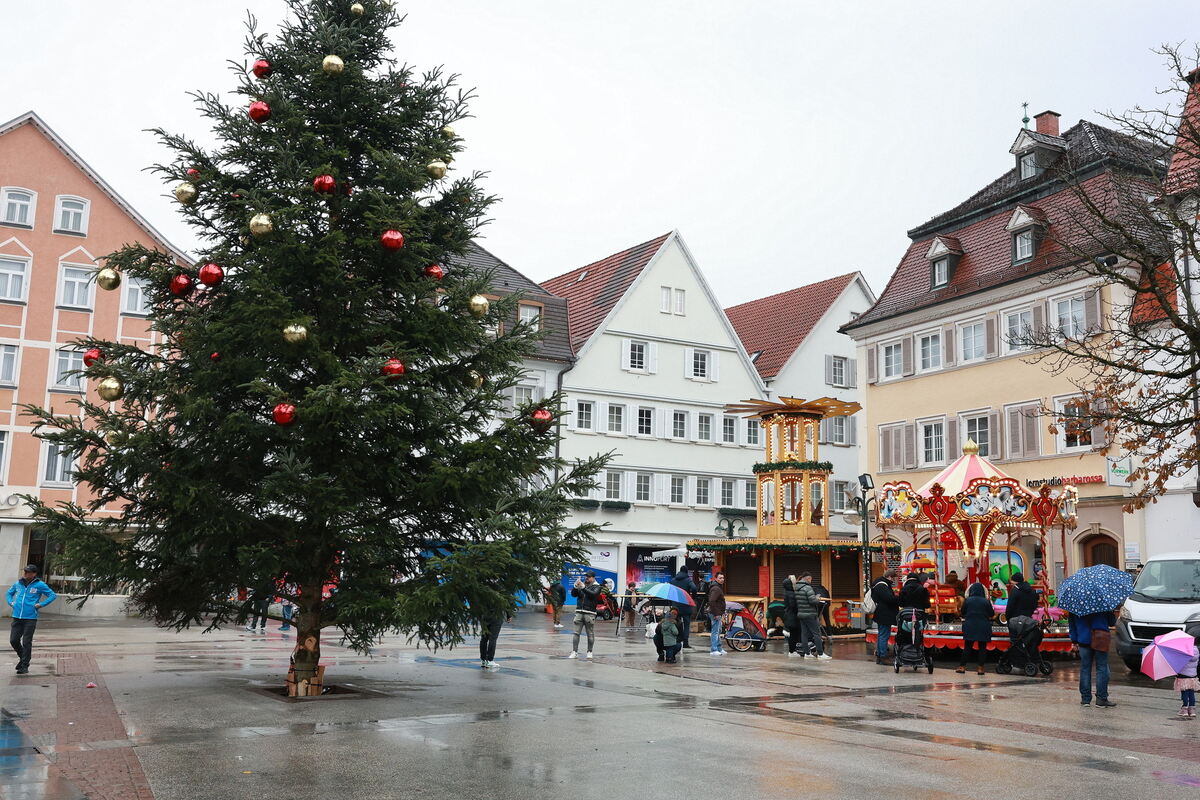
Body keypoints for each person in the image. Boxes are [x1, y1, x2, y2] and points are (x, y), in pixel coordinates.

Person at [7, 564, 56, 675]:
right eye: (24, 571)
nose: (24, 574)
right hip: (17, 617)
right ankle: (22, 658)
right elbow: (9, 593)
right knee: (13, 640)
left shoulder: (40, 584)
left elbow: (52, 595)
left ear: (34, 574)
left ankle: (24, 666)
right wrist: (11, 602)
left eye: (27, 572)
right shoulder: (18, 583)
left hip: (30, 618)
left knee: (26, 642)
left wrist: (41, 604)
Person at [1069, 609, 1117, 708]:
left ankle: (1085, 699)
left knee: (1085, 669)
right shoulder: (1103, 603)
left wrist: (1074, 640)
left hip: (1083, 639)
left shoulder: (1075, 604)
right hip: (1100, 638)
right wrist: (1110, 612)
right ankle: (1101, 699)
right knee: (1102, 668)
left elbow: (1072, 625)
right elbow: (1112, 622)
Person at [957, 583, 994, 675]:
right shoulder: (986, 601)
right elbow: (991, 614)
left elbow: (962, 612)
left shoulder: (968, 600)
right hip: (983, 626)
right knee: (982, 648)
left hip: (970, 625)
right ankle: (980, 668)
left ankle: (962, 667)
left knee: (968, 647)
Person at [568, 571, 603, 659]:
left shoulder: (597, 587)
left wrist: (583, 588)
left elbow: (593, 595)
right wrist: (575, 587)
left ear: (593, 578)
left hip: (590, 613)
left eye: (589, 577)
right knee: (576, 633)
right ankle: (574, 652)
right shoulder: (583, 585)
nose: (586, 578)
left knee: (590, 634)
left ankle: (589, 651)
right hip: (579, 611)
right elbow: (573, 594)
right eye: (586, 576)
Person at [795, 572, 830, 659]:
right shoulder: (808, 588)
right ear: (807, 578)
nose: (811, 581)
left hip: (801, 614)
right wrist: (817, 598)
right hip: (810, 614)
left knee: (804, 634)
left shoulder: (796, 588)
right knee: (817, 633)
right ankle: (821, 654)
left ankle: (807, 653)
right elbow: (812, 601)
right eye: (810, 579)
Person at [871, 569, 900, 664]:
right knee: (884, 635)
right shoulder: (882, 585)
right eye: (893, 578)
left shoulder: (879, 584)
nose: (894, 580)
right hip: (884, 614)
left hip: (881, 613)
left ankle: (880, 656)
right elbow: (888, 598)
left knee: (881, 634)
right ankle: (883, 656)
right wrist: (897, 598)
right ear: (889, 577)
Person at [670, 567, 697, 649]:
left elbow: (670, 590)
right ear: (686, 572)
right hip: (685, 605)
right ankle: (685, 643)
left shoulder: (673, 580)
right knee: (686, 624)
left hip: (675, 606)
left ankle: (677, 641)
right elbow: (694, 588)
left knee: (676, 624)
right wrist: (693, 597)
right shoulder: (688, 580)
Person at [1172, 638, 1198, 720]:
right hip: (1193, 676)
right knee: (1191, 693)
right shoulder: (1196, 651)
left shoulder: (1183, 652)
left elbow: (1179, 663)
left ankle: (1185, 709)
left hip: (1183, 676)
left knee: (1184, 693)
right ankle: (1192, 710)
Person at [707, 572, 727, 655]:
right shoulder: (716, 588)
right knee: (715, 631)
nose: (722, 579)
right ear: (716, 579)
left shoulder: (718, 587)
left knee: (718, 631)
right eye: (720, 578)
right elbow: (712, 601)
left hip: (717, 612)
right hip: (715, 613)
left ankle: (719, 648)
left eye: (723, 578)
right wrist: (716, 614)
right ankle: (714, 649)